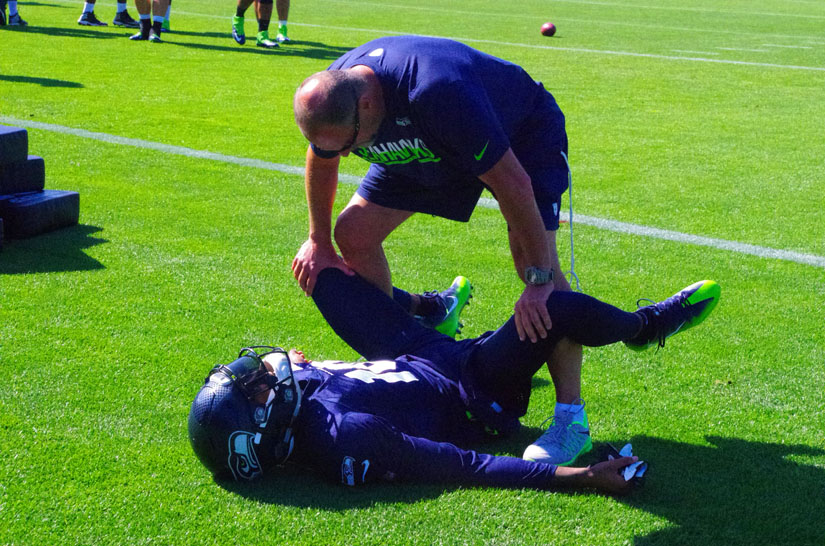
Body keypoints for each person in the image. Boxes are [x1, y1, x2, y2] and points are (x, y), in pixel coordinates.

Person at [291, 37, 586, 451]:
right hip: (425, 139)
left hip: (519, 134)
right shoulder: (335, 95)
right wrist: (319, 240)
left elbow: (513, 184)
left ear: (367, 105)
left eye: (349, 145)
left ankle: (572, 421)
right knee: (354, 233)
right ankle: (410, 360)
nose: (347, 155)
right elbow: (322, 158)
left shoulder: (437, 91)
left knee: (537, 266)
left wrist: (539, 281)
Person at [188, 268, 720, 493]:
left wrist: (301, 368)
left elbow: (314, 378)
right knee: (554, 308)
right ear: (264, 430)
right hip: (472, 391)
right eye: (255, 388)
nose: (262, 372)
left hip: (416, 354)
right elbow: (464, 466)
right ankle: (648, 325)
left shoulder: (294, 408)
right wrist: (581, 477)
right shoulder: (345, 436)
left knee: (325, 275)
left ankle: (433, 310)